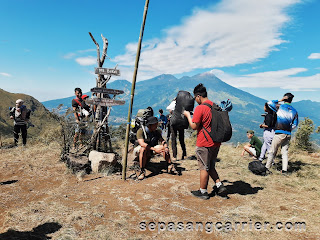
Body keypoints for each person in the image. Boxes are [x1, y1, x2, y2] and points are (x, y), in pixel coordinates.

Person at [183, 83, 227, 200]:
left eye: (195, 98)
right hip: (216, 142)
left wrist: (188, 115)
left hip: (204, 143)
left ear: (198, 96)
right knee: (211, 165)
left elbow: (194, 126)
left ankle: (203, 192)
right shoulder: (215, 106)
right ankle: (219, 185)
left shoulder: (200, 108)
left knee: (204, 167)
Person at [265, 93, 298, 175]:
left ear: (285, 98)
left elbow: (269, 103)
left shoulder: (279, 107)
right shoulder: (294, 111)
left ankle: (267, 168)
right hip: (288, 133)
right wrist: (289, 129)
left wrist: (280, 100)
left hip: (279, 132)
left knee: (272, 151)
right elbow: (295, 124)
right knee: (285, 152)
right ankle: (284, 170)